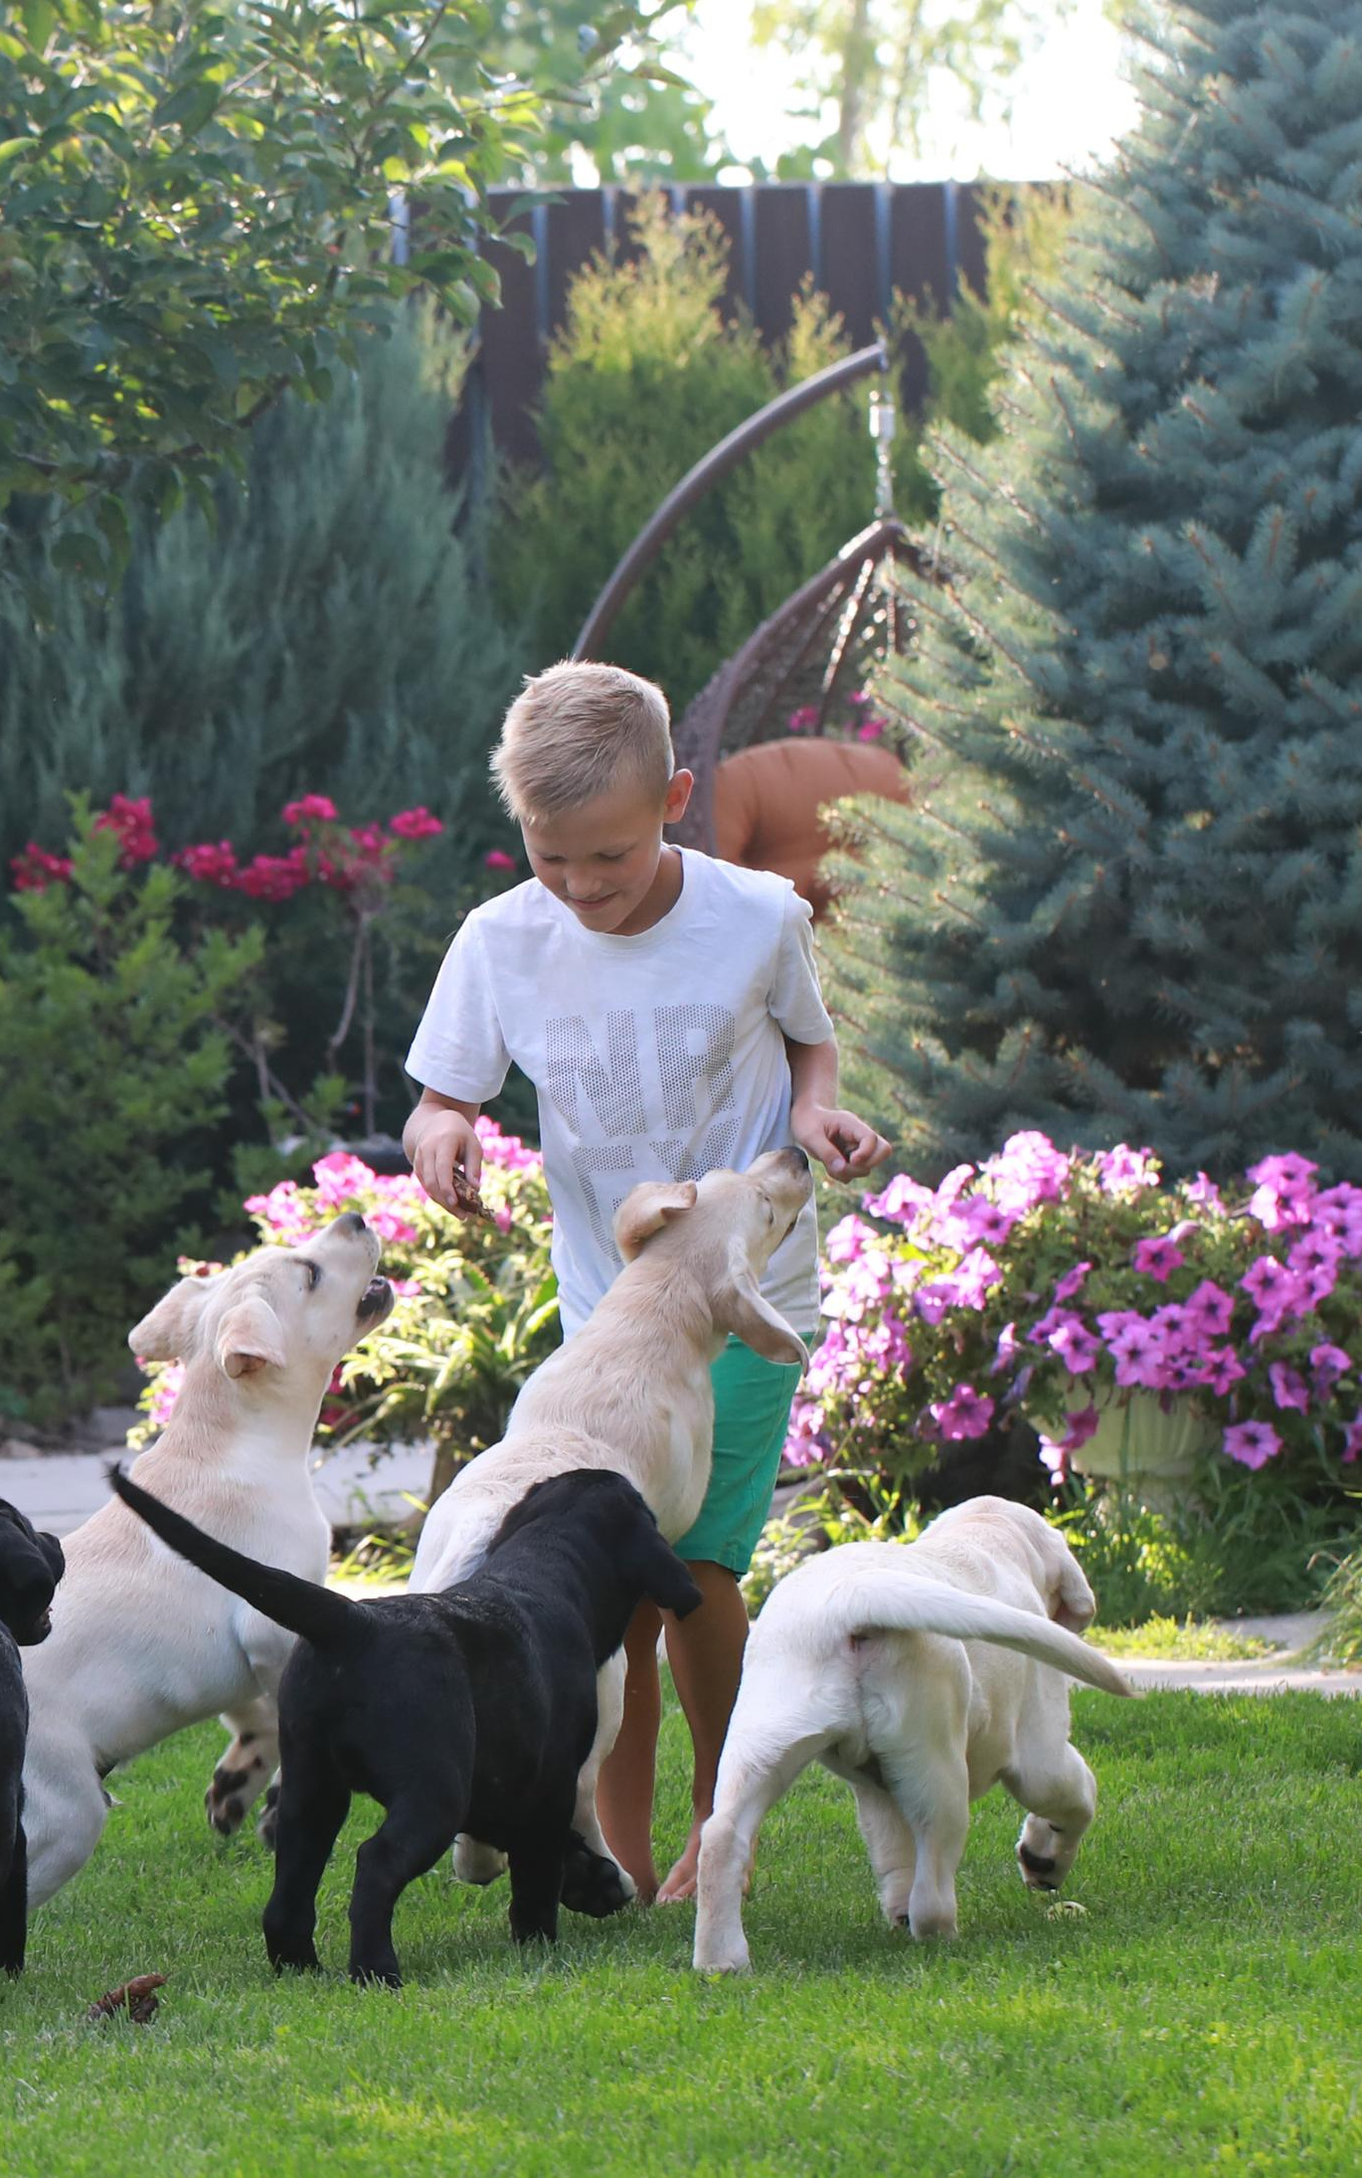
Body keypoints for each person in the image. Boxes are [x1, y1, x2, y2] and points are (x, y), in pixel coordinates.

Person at [402, 659, 892, 1904]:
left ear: (675, 796)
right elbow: (442, 1092)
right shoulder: (501, 940)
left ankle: (717, 1824)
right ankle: (608, 1849)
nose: (578, 887)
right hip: (603, 1323)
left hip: (743, 1303)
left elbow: (808, 1043)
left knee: (702, 1577)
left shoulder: (756, 915)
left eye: (607, 859)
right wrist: (443, 1133)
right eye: (550, 858)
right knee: (606, 1590)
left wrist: (821, 1115)